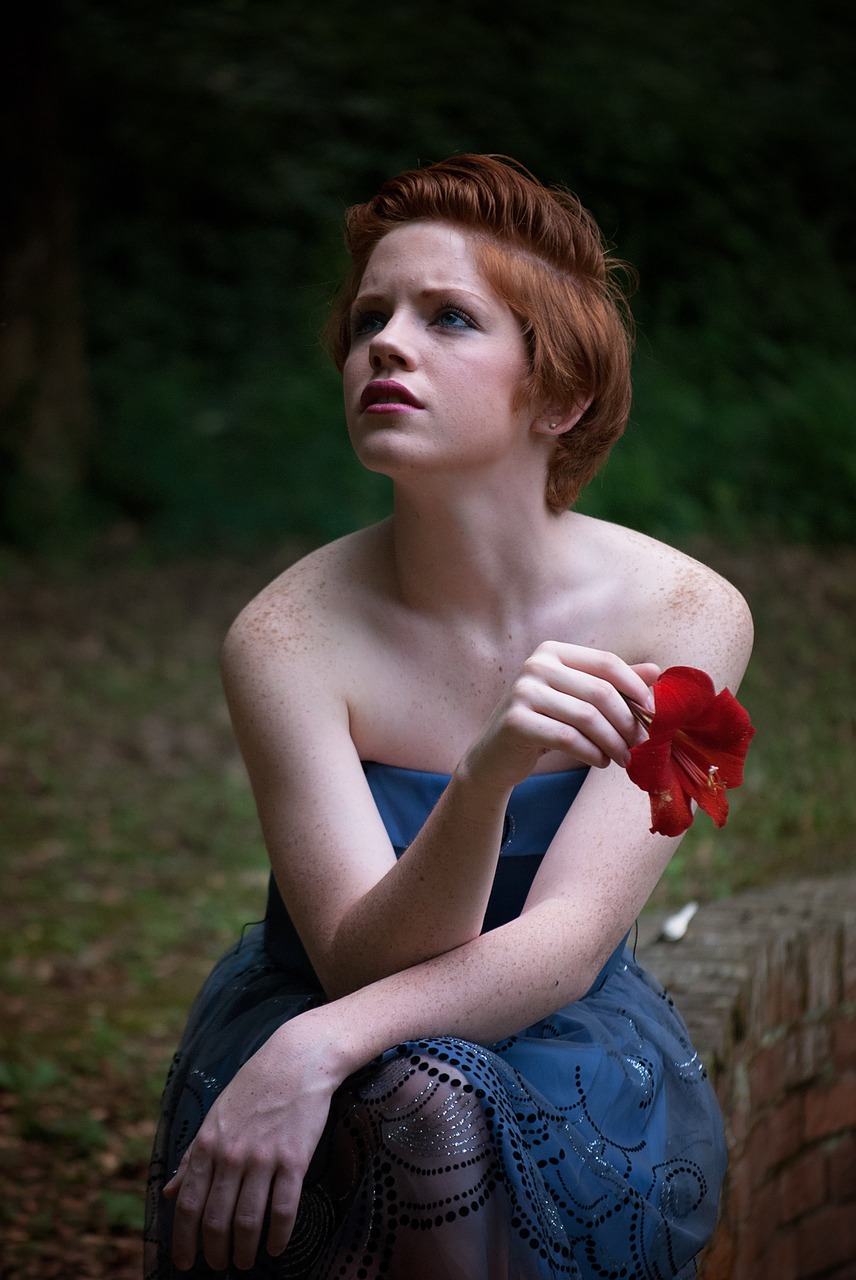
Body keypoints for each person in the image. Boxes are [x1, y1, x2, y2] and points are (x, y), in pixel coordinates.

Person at [144, 153, 753, 1280]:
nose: (385, 342)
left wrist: (311, 1049)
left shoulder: (681, 610)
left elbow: (567, 940)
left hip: (548, 1033)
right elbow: (361, 963)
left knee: (428, 1100)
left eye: (449, 318)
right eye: (372, 313)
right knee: (414, 1098)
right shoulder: (284, 636)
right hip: (337, 998)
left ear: (560, 393)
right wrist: (484, 781)